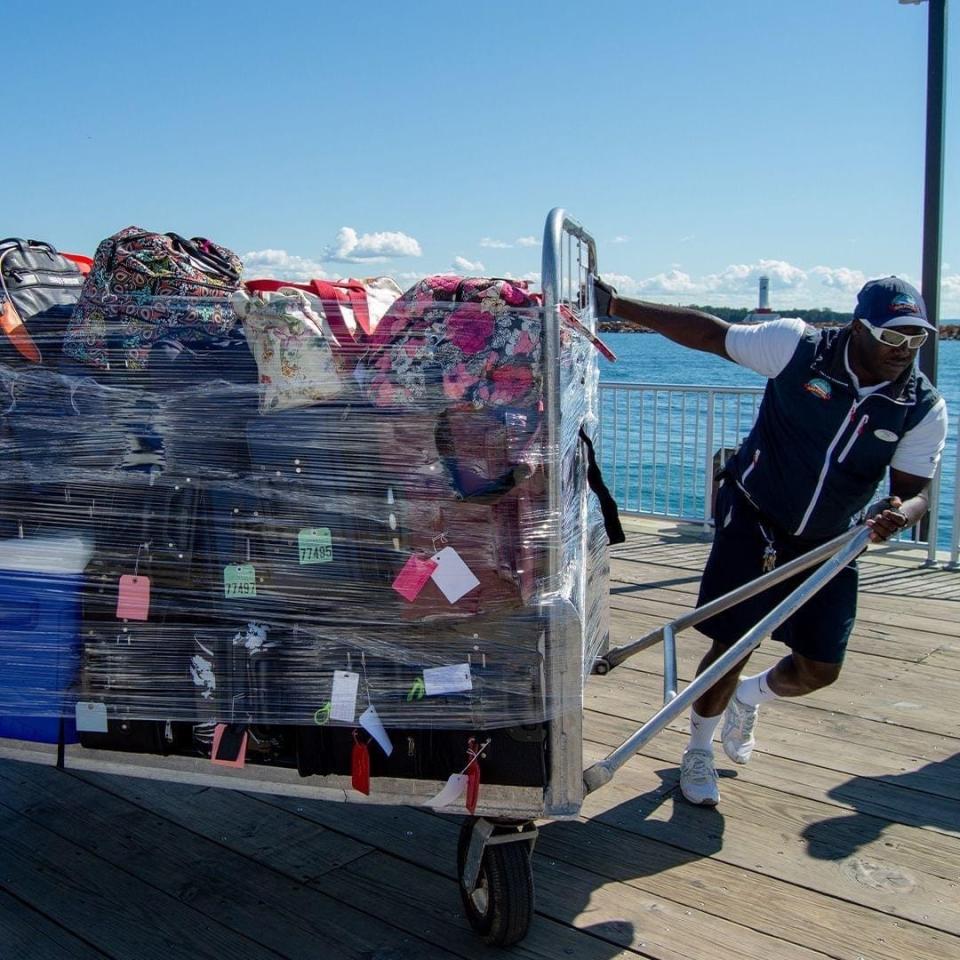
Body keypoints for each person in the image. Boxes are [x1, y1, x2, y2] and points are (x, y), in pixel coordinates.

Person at [592, 275, 948, 806]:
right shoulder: (798, 347)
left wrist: (898, 512)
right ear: (859, 329)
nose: (905, 350)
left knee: (820, 669)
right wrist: (617, 305)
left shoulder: (922, 407)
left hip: (833, 540)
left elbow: (915, 494)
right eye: (893, 337)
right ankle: (699, 750)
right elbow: (711, 334)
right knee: (731, 644)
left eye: (917, 338)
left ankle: (748, 699)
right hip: (754, 516)